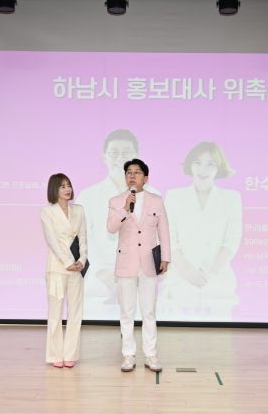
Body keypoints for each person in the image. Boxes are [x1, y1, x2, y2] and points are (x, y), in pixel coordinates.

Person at [76, 130, 159, 309]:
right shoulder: (88, 195)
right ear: (104, 157)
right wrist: (102, 272)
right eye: (114, 153)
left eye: (126, 152)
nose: (120, 158)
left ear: (136, 155)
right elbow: (81, 238)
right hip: (99, 283)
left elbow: (157, 237)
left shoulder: (154, 195)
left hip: (140, 276)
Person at [160, 141, 242, 321]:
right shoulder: (174, 196)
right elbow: (168, 237)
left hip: (217, 278)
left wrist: (210, 272)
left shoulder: (231, 198)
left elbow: (232, 240)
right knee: (178, 332)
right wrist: (186, 271)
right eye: (197, 162)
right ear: (190, 165)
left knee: (218, 334)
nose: (203, 169)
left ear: (219, 167)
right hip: (180, 278)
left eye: (210, 164)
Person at [106, 159, 170, 373]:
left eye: (137, 172)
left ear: (146, 177)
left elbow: (164, 231)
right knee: (127, 311)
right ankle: (128, 355)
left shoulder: (156, 200)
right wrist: (125, 209)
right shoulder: (116, 201)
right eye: (129, 173)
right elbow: (111, 228)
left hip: (149, 263)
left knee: (149, 311)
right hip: (126, 263)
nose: (132, 176)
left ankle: (151, 355)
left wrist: (166, 257)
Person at [40, 173, 88, 368]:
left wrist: (81, 260)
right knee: (55, 313)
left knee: (75, 312)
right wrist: (68, 261)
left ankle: (70, 354)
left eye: (68, 185)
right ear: (54, 189)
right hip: (57, 268)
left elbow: (83, 238)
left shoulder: (79, 210)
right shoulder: (47, 212)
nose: (67, 189)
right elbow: (52, 241)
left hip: (77, 268)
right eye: (62, 186)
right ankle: (55, 355)